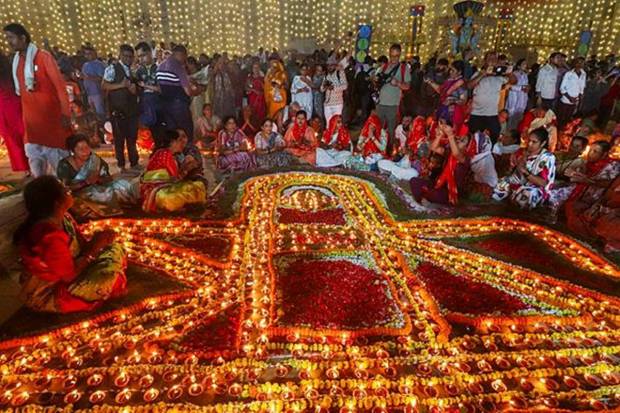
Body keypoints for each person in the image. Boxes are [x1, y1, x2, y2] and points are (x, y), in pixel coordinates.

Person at [13, 176, 127, 313]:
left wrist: (97, 241)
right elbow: (69, 276)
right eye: (65, 190)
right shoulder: (50, 237)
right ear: (57, 203)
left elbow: (81, 246)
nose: (69, 190)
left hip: (73, 267)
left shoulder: (64, 217)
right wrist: (95, 248)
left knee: (114, 247)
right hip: (52, 290)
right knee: (106, 278)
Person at [4, 23, 71, 177]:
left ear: (23, 38)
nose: (9, 42)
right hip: (32, 125)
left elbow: (60, 87)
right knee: (37, 169)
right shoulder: (16, 62)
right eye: (7, 38)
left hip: (52, 121)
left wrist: (66, 113)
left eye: (11, 38)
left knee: (59, 169)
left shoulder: (43, 57)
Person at [57, 134, 137, 206]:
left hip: (98, 188)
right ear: (73, 151)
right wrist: (86, 182)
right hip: (78, 195)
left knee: (125, 184)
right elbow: (65, 189)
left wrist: (99, 179)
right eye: (80, 149)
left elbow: (107, 178)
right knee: (107, 194)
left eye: (87, 147)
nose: (85, 151)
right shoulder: (64, 165)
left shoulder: (94, 160)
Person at [140, 129, 207, 212]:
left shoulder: (171, 155)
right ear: (172, 142)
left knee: (198, 185)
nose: (182, 143)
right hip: (158, 190)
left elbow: (175, 178)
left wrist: (188, 167)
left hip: (168, 186)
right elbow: (174, 179)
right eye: (179, 140)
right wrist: (186, 168)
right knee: (172, 198)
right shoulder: (164, 154)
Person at [492, 127, 556, 209]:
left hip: (536, 188)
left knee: (526, 195)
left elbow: (543, 183)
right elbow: (510, 173)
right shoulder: (521, 152)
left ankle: (516, 216)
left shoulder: (547, 157)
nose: (529, 144)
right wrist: (511, 166)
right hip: (517, 182)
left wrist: (525, 171)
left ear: (543, 143)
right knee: (496, 185)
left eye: (534, 142)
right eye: (529, 140)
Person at [409, 122, 471, 206]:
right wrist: (439, 136)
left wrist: (450, 135)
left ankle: (425, 197)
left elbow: (456, 154)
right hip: (439, 184)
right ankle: (424, 198)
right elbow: (433, 148)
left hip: (451, 192)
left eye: (462, 141)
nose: (459, 141)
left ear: (468, 147)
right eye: (459, 139)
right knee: (414, 181)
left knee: (434, 193)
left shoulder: (465, 159)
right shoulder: (449, 151)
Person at [102, 44, 140, 171]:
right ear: (120, 55)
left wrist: (134, 89)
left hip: (132, 110)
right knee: (119, 139)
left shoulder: (133, 70)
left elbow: (135, 88)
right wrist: (121, 85)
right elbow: (104, 86)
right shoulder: (112, 69)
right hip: (118, 110)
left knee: (132, 138)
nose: (128, 59)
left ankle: (134, 162)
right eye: (125, 56)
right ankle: (121, 164)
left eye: (130, 57)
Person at [554, 141, 619, 214]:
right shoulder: (587, 163)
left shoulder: (613, 165)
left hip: (592, 201)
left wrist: (583, 179)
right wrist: (576, 175)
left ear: (604, 154)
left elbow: (609, 184)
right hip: (576, 192)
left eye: (595, 151)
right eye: (590, 150)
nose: (590, 153)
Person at [468, 51, 513, 143]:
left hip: (492, 114)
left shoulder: (499, 76)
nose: (492, 61)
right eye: (490, 59)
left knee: (494, 135)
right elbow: (469, 86)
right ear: (485, 61)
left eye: (494, 59)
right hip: (477, 113)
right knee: (474, 139)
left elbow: (513, 81)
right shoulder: (478, 73)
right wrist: (483, 74)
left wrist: (509, 72)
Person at [373, 44, 411, 149]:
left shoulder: (404, 68)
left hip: (393, 105)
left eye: (396, 56)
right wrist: (375, 80)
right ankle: (377, 149)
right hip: (380, 103)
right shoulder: (384, 67)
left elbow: (407, 86)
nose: (394, 58)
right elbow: (376, 80)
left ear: (400, 55)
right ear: (389, 54)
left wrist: (398, 83)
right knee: (377, 128)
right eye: (392, 55)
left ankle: (389, 151)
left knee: (391, 130)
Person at [156, 44, 197, 138]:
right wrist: (197, 91)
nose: (185, 60)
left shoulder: (160, 67)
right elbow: (188, 91)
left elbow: (159, 88)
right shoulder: (178, 67)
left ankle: (175, 152)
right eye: (185, 57)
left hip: (166, 105)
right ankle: (187, 151)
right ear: (182, 55)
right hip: (179, 105)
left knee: (172, 134)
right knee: (186, 132)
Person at [0, 51, 28, 174]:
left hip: (11, 105)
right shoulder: (9, 66)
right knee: (16, 136)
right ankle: (28, 166)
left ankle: (28, 166)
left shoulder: (8, 68)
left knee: (18, 136)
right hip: (10, 105)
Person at [378, 116, 426, 181]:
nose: (411, 127)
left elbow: (422, 161)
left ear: (419, 128)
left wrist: (410, 154)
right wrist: (401, 152)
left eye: (414, 125)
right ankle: (395, 173)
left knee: (414, 174)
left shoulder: (424, 141)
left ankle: (393, 173)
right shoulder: (410, 137)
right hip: (401, 164)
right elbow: (401, 152)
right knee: (381, 162)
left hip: (411, 168)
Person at [424, 60, 467, 132]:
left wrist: (452, 101)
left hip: (453, 113)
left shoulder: (461, 84)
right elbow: (441, 91)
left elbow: (463, 101)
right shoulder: (449, 80)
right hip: (443, 109)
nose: (450, 72)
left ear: (459, 72)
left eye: (453, 70)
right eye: (450, 70)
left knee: (450, 133)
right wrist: (429, 82)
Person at [134, 42, 161, 144]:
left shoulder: (159, 68)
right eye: (139, 57)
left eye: (143, 56)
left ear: (150, 53)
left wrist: (145, 86)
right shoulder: (139, 71)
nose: (141, 59)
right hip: (145, 104)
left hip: (158, 104)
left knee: (159, 131)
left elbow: (160, 89)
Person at [557, 57, 586, 131]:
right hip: (566, 100)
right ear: (574, 63)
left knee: (569, 119)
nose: (579, 64)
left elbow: (581, 87)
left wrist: (580, 97)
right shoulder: (569, 74)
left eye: (582, 62)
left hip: (575, 100)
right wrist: (569, 97)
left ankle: (564, 134)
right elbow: (562, 88)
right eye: (578, 62)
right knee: (561, 119)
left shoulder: (584, 74)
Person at [80, 46, 106, 121]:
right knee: (93, 114)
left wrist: (89, 78)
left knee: (100, 113)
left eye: (89, 53)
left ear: (95, 53)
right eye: (86, 54)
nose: (87, 56)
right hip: (89, 93)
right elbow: (84, 76)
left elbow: (102, 79)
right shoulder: (85, 65)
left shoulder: (99, 64)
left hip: (97, 92)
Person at [321, 55, 348, 125]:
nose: (329, 67)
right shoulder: (326, 75)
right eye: (328, 65)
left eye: (331, 65)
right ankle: (329, 136)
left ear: (335, 65)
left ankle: (336, 136)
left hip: (337, 104)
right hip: (327, 103)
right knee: (328, 124)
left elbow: (345, 86)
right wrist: (325, 87)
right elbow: (321, 89)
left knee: (336, 124)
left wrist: (334, 88)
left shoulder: (340, 73)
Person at [505, 58, 529, 129]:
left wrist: (526, 88)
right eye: (523, 64)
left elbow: (525, 86)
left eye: (526, 64)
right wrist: (521, 88)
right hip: (514, 99)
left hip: (522, 100)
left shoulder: (525, 75)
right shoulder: (514, 74)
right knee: (511, 121)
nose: (525, 65)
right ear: (518, 66)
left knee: (518, 121)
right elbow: (509, 86)